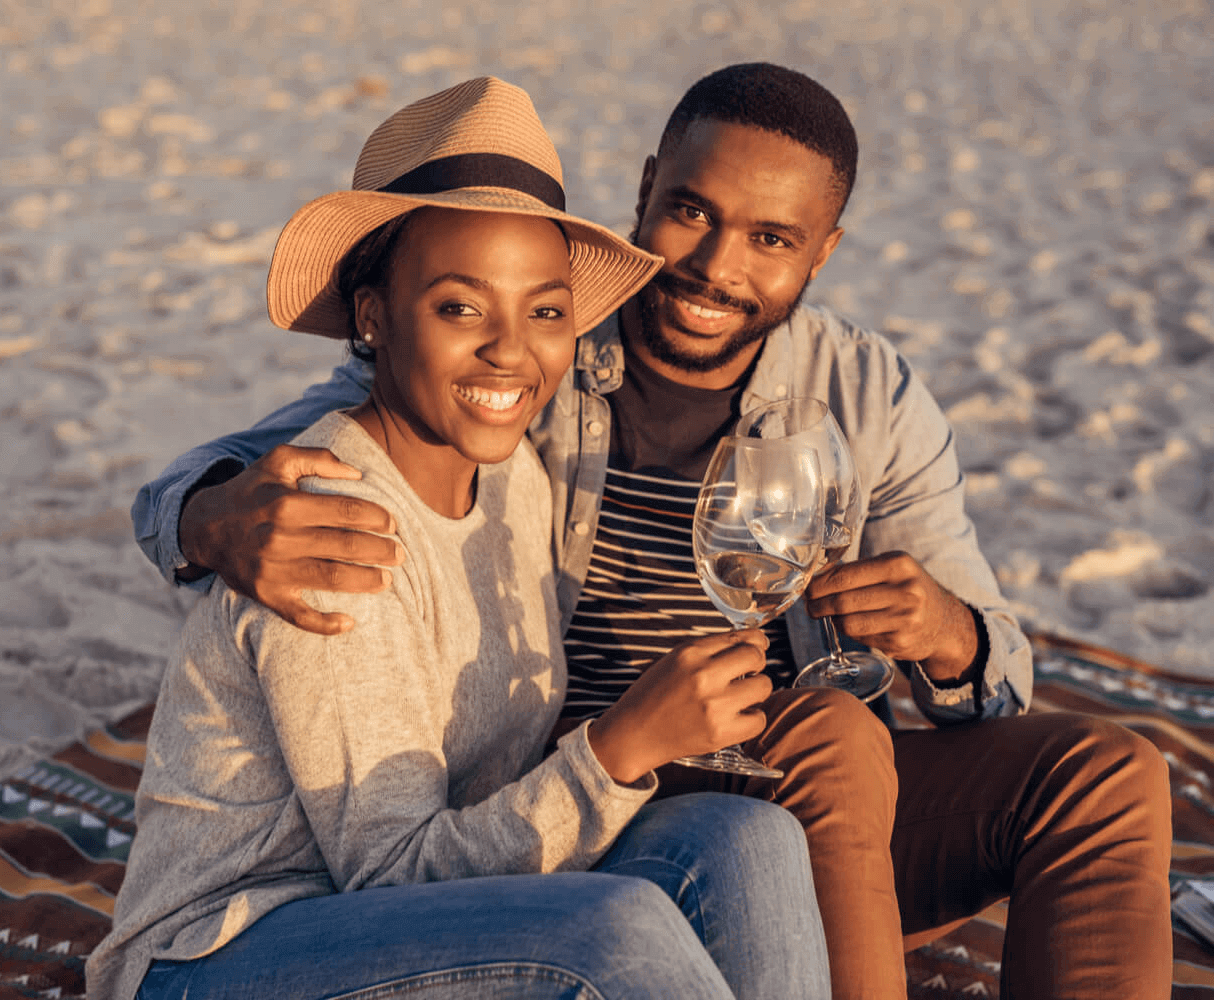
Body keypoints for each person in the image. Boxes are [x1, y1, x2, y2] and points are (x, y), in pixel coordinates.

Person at [136, 64, 1173, 999]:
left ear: (823, 250)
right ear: (645, 191)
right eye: (691, 212)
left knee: (1076, 772)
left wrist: (947, 630)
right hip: (549, 792)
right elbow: (285, 456)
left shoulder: (861, 395)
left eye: (772, 239)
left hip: (714, 794)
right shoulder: (511, 376)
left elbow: (998, 672)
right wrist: (209, 514)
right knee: (806, 767)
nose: (718, 266)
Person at [89, 77, 832, 1000]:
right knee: (613, 931)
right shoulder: (331, 529)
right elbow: (390, 873)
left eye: (546, 311)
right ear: (372, 316)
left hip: (427, 912)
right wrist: (618, 750)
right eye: (461, 307)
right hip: (228, 953)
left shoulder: (516, 477)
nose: (511, 352)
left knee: (746, 836)